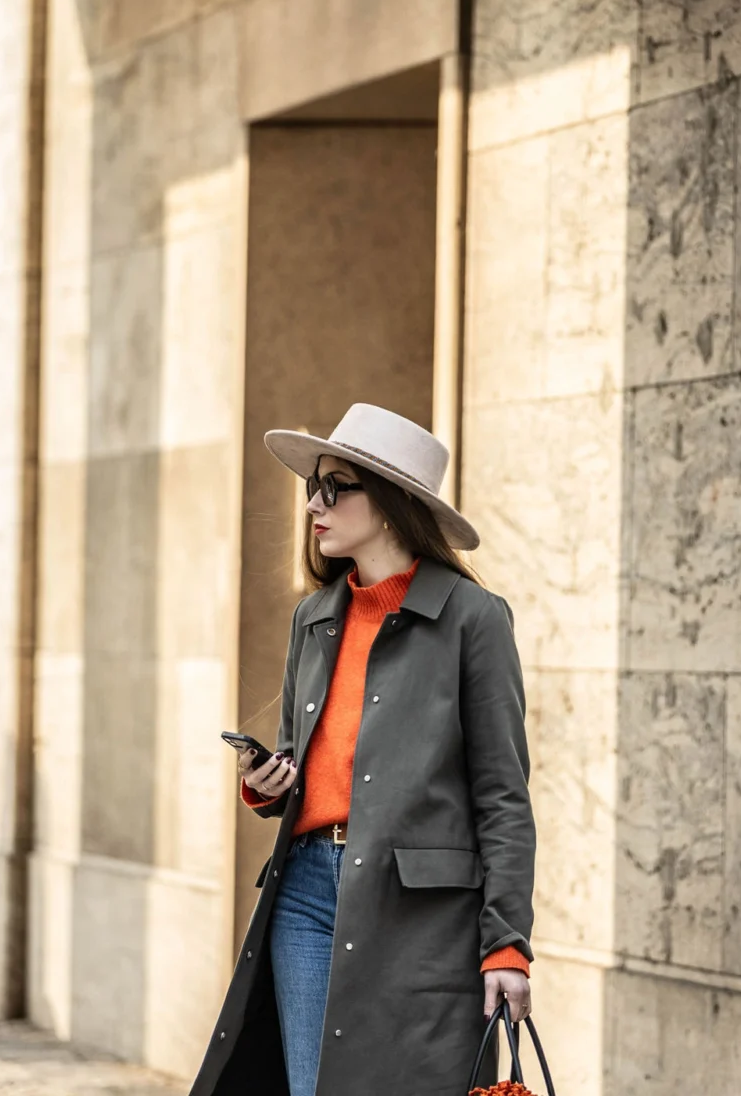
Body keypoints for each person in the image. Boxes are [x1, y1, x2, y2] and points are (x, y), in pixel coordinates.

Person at [189, 403, 536, 1096]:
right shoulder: (313, 616)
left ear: (390, 504)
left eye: (335, 487)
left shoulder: (474, 620)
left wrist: (507, 943)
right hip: (307, 891)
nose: (314, 504)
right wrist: (266, 781)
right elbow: (300, 754)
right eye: (312, 487)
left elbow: (503, 796)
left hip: (421, 913)